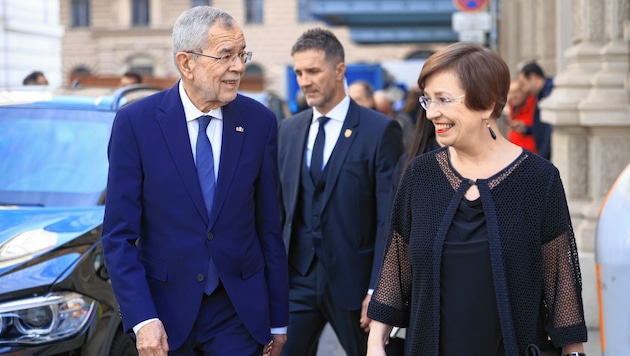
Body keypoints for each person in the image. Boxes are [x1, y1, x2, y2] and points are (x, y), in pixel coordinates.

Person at [367, 42, 587, 355]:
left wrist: (573, 351)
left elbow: (560, 280)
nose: (432, 112)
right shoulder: (420, 174)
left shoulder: (539, 178)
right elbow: (397, 264)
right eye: (428, 99)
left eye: (443, 99)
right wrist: (376, 341)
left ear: (487, 105)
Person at [101, 6, 288, 356]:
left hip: (237, 312)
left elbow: (269, 228)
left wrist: (278, 319)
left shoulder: (259, 122)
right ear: (187, 63)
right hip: (165, 314)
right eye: (226, 56)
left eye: (241, 54)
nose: (238, 66)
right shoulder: (136, 124)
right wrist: (143, 318)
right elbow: (118, 236)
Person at [277, 28, 403, 356]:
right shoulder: (288, 131)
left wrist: (379, 289)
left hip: (356, 283)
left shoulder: (380, 131)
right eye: (299, 72)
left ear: (339, 70)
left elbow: (387, 219)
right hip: (297, 280)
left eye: (313, 71)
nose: (304, 81)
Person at [518, 61, 554, 160]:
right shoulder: (540, 96)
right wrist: (526, 129)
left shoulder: (550, 94)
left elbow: (549, 132)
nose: (524, 90)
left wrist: (541, 160)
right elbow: (541, 127)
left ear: (533, 77)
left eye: (523, 84)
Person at [506, 80, 537, 153]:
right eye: (510, 92)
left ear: (524, 92)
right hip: (514, 152)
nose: (512, 96)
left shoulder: (534, 106)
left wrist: (525, 128)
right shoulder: (513, 108)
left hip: (529, 154)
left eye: (516, 92)